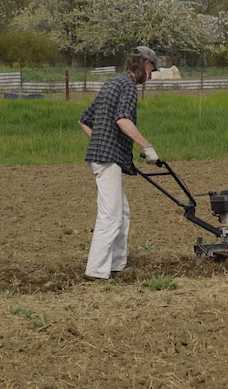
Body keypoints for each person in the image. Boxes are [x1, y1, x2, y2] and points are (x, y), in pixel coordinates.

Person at [78, 46, 160, 280]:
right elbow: (123, 120)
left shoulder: (112, 83)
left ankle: (116, 265)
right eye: (152, 70)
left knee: (121, 213)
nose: (151, 76)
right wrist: (147, 146)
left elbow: (84, 120)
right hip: (107, 159)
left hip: (102, 156)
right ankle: (96, 271)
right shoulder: (128, 86)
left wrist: (103, 139)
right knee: (111, 215)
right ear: (145, 65)